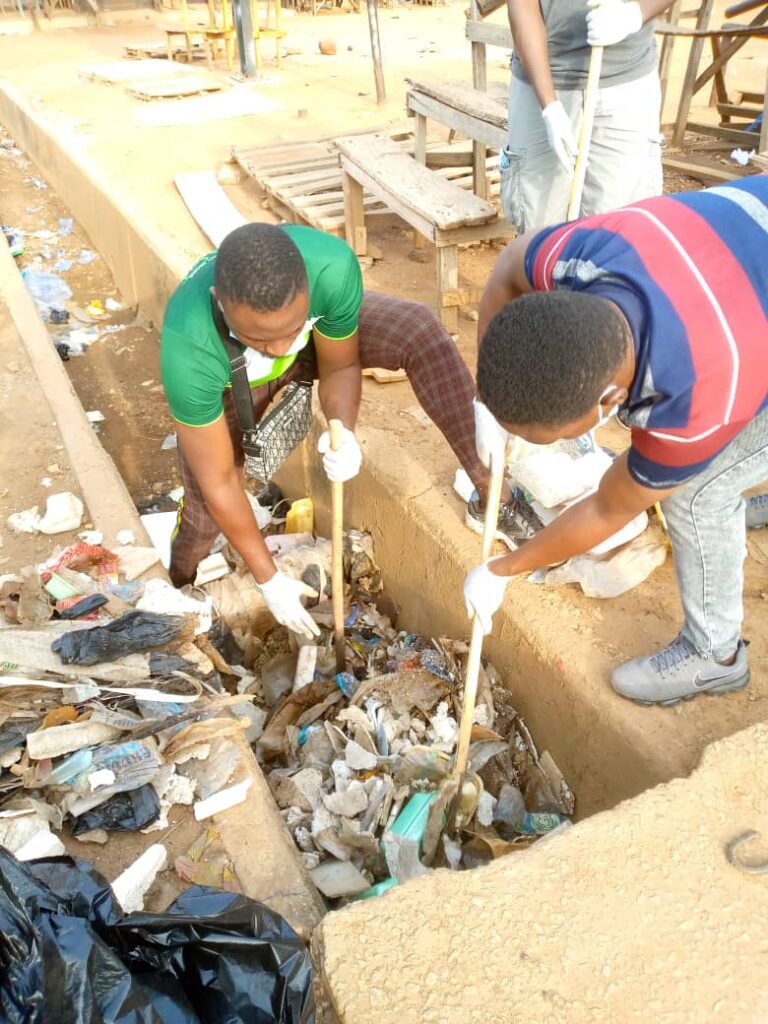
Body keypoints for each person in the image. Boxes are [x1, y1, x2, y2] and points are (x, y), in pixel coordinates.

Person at [466, 175, 768, 707]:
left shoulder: (696, 396)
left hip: (739, 335)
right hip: (746, 259)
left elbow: (609, 506)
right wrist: (484, 404)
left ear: (608, 404)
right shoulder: (582, 255)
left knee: (696, 493)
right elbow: (508, 269)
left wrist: (503, 568)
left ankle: (715, 655)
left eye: (551, 436)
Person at [161, 222, 532, 639]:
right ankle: (178, 589)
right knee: (203, 512)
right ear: (220, 304)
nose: (281, 347)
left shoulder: (330, 269)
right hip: (235, 382)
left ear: (305, 289)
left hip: (315, 347)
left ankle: (492, 494)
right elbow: (220, 481)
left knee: (418, 328)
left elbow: (338, 365)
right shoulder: (189, 349)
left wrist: (343, 429)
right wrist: (269, 580)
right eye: (263, 338)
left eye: (290, 328)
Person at [502, 0, 674, 233]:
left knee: (617, 234)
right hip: (542, 79)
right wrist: (550, 107)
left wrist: (635, 14)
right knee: (538, 235)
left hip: (626, 82)